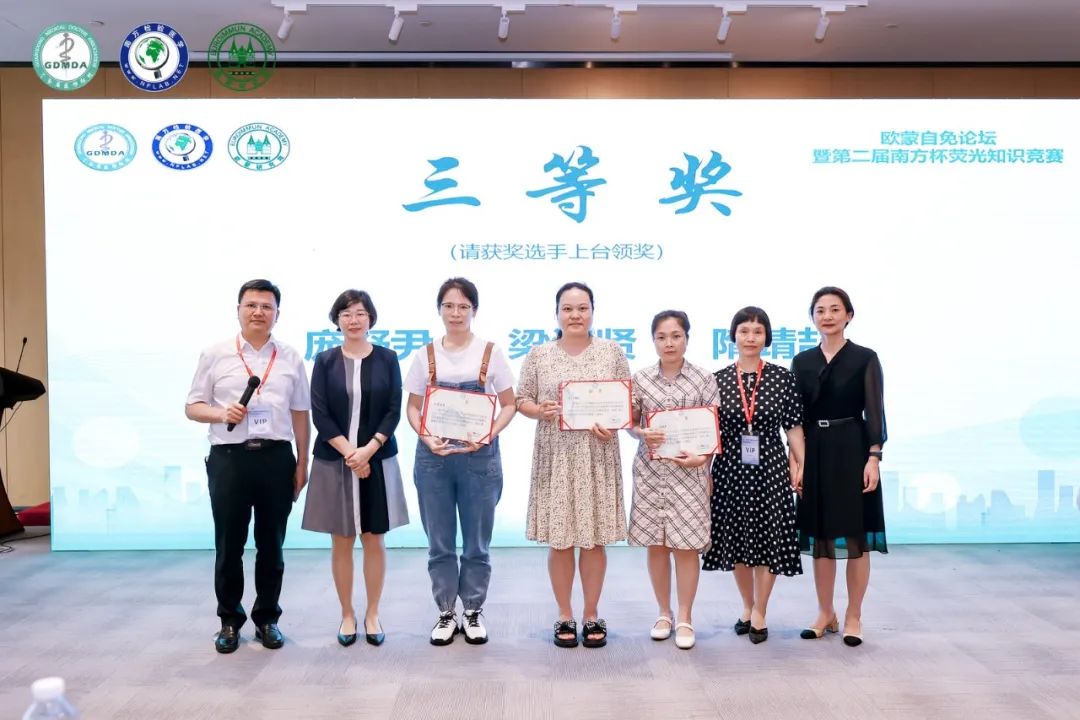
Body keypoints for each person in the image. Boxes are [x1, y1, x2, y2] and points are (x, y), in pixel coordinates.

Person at [185, 279, 311, 654]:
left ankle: (267, 619)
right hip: (229, 459)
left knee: (272, 545)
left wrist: (303, 461)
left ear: (277, 314)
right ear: (238, 310)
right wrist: (221, 413)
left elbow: (300, 413)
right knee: (229, 545)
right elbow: (192, 406)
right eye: (251, 305)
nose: (258, 312)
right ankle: (229, 620)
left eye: (266, 306)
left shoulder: (290, 357)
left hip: (276, 458)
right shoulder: (215, 354)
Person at [516, 282, 630, 649]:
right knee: (561, 540)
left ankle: (591, 614)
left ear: (593, 312)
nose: (575, 315)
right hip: (557, 456)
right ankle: (564, 614)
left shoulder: (612, 352)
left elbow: (626, 403)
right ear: (557, 314)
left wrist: (613, 424)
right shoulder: (539, 354)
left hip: (597, 453)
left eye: (582, 308)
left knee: (593, 540)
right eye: (567, 309)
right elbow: (521, 399)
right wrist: (539, 410)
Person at [404, 278, 517, 646]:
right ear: (439, 310)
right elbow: (413, 406)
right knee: (439, 542)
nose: (456, 313)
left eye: (463, 306)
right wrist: (425, 436)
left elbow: (510, 404)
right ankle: (445, 612)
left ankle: (472, 610)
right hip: (434, 458)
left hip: (479, 457)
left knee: (476, 543)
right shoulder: (424, 355)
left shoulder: (490, 352)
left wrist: (488, 433)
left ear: (474, 310)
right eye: (449, 306)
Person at [302, 289, 408, 648]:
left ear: (371, 318)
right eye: (346, 314)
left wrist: (368, 451)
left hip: (377, 458)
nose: (353, 320)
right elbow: (320, 414)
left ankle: (372, 613)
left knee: (374, 537)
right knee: (342, 539)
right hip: (335, 460)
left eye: (360, 313)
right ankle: (347, 613)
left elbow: (393, 409)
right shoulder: (325, 361)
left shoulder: (388, 358)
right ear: (337, 320)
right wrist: (351, 454)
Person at [702, 306, 805, 645]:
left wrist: (801, 464)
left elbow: (793, 428)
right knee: (736, 538)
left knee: (769, 538)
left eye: (757, 332)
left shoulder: (781, 377)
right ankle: (747, 606)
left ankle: (761, 609)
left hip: (770, 468)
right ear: (733, 336)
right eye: (744, 331)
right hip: (730, 468)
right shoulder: (716, 380)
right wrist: (705, 472)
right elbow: (709, 432)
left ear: (767, 337)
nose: (750, 337)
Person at [791, 286, 887, 647]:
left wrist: (874, 457)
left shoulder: (864, 358)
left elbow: (875, 411)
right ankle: (825, 612)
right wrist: (796, 461)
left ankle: (853, 615)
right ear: (812, 318)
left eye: (834, 309)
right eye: (820, 310)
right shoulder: (802, 361)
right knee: (821, 538)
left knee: (855, 536)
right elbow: (795, 418)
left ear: (849, 315)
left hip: (853, 450)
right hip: (814, 450)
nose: (827, 316)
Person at [628, 310, 719, 650]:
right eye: (662, 337)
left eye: (676, 336)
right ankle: (663, 613)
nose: (669, 343)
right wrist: (641, 432)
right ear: (653, 341)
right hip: (651, 474)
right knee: (657, 544)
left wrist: (704, 460)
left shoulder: (703, 379)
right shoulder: (640, 379)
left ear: (686, 339)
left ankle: (685, 616)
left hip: (689, 473)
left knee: (686, 546)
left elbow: (712, 429)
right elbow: (630, 423)